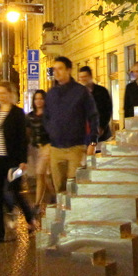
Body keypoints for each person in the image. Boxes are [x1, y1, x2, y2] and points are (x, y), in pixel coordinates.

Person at [0, 81, 38, 243]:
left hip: (12, 160)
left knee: (15, 191)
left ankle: (30, 218)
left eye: (4, 93)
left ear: (10, 94)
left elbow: (22, 138)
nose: (1, 96)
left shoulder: (17, 113)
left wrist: (22, 160)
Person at [44, 56, 98, 194]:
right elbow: (46, 117)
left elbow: (92, 115)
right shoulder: (51, 93)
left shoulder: (81, 91)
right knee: (59, 187)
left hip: (75, 146)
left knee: (74, 187)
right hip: (56, 147)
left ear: (68, 70)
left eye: (60, 69)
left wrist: (93, 141)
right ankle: (61, 208)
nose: (56, 72)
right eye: (54, 69)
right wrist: (49, 137)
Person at [26, 89, 53, 212]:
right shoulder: (30, 116)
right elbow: (27, 132)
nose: (38, 101)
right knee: (43, 176)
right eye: (36, 99)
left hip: (47, 146)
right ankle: (52, 196)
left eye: (41, 98)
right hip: (35, 148)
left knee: (41, 172)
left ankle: (38, 203)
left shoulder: (49, 115)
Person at [77, 65, 112, 143]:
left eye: (85, 76)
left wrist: (102, 126)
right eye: (80, 77)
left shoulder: (102, 91)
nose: (82, 79)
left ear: (90, 76)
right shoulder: (78, 94)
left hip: (102, 134)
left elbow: (108, 110)